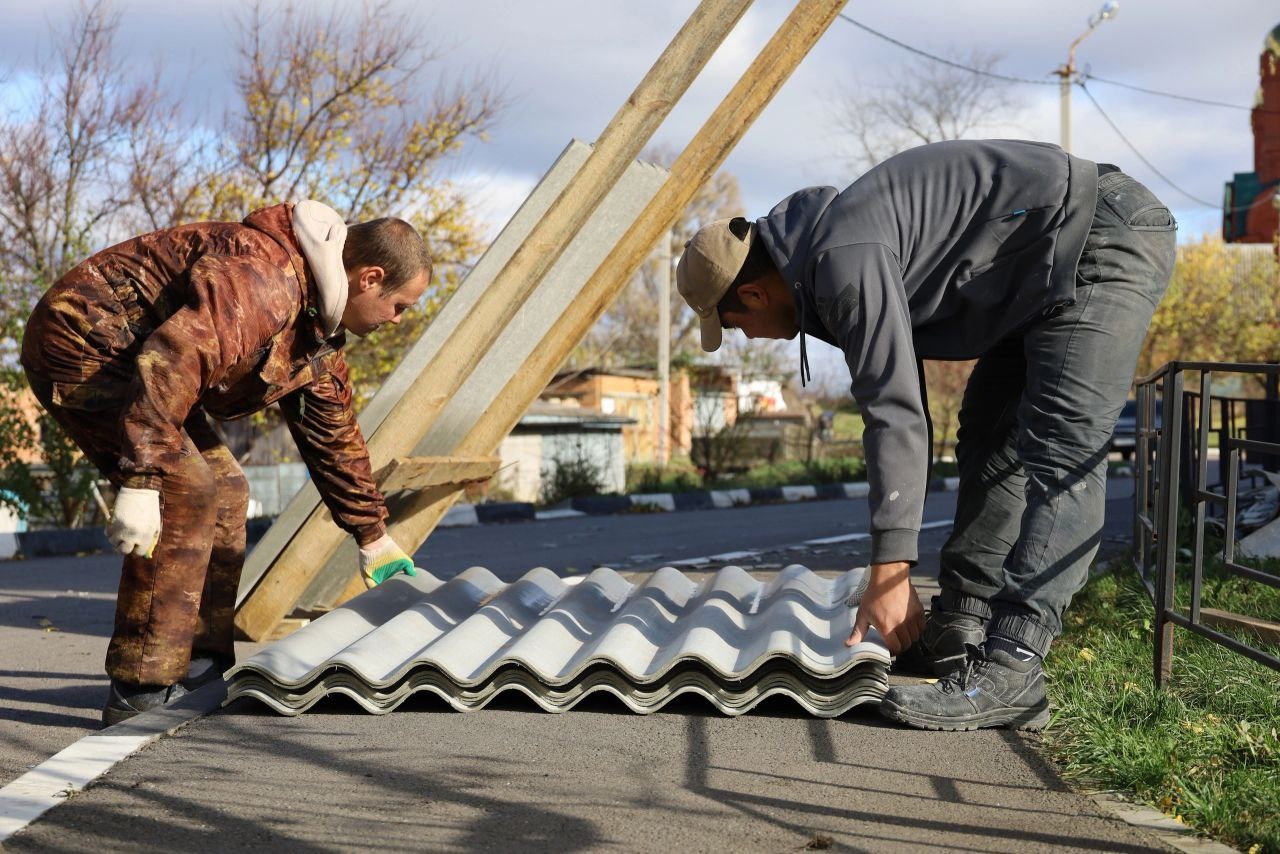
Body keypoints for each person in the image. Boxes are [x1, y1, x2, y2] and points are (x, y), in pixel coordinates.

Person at [674, 139, 1175, 731]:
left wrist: (891, 570)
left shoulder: (842, 259)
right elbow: (901, 401)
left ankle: (1015, 665)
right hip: (1037, 267)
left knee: (1061, 453)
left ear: (754, 292)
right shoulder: (824, 258)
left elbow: (895, 410)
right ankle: (961, 623)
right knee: (989, 435)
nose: (749, 338)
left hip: (1096, 237)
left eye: (735, 324)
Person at [21, 200, 429, 725]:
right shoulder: (264, 280)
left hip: (150, 370)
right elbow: (175, 356)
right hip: (84, 340)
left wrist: (373, 536)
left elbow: (333, 436)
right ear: (369, 278)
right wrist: (144, 477)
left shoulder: (316, 326)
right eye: (400, 306)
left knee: (227, 489)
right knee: (184, 488)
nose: (396, 321)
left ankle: (199, 660)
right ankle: (140, 687)